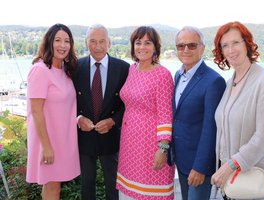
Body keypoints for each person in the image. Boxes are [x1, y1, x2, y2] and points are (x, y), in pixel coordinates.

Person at [210, 21, 264, 199]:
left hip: (247, 180)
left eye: (235, 43)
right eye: (225, 45)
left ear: (247, 44)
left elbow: (263, 137)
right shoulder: (230, 82)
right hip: (228, 181)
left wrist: (231, 165)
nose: (231, 50)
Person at [116, 26, 175, 199]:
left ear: (155, 47)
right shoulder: (132, 69)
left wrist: (163, 149)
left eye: (147, 43)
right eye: (138, 42)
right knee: (129, 193)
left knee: (149, 193)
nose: (142, 47)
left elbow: (166, 115)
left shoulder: (162, 75)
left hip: (150, 146)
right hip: (129, 144)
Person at [73, 24, 129, 200]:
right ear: (86, 43)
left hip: (111, 136)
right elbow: (68, 101)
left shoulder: (124, 68)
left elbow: (128, 103)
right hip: (84, 136)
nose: (97, 46)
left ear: (109, 43)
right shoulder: (75, 67)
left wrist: (113, 120)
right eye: (93, 41)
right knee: (86, 185)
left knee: (113, 185)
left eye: (102, 41)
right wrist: (78, 118)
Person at [26, 23, 80, 199]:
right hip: (48, 140)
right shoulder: (40, 70)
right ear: (49, 42)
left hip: (63, 139)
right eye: (58, 40)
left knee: (53, 187)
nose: (62, 45)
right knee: (52, 187)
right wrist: (46, 146)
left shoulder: (65, 70)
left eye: (67, 41)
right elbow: (36, 111)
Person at [172, 26, 226, 200]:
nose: (186, 50)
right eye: (181, 46)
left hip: (198, 164)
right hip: (181, 158)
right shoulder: (178, 75)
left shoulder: (214, 81)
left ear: (202, 48)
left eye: (192, 45)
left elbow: (211, 128)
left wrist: (200, 167)